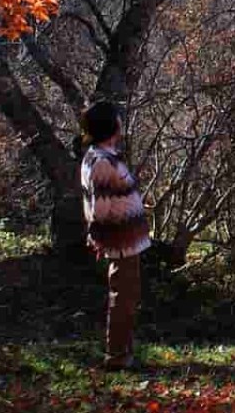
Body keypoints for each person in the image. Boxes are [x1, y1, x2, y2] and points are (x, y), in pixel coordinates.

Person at [80, 101, 151, 370]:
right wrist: (98, 237)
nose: (121, 122)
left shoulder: (105, 156)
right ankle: (118, 356)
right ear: (110, 125)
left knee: (127, 297)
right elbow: (100, 207)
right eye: (117, 118)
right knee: (123, 298)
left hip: (127, 240)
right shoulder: (101, 161)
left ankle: (123, 352)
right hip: (121, 241)